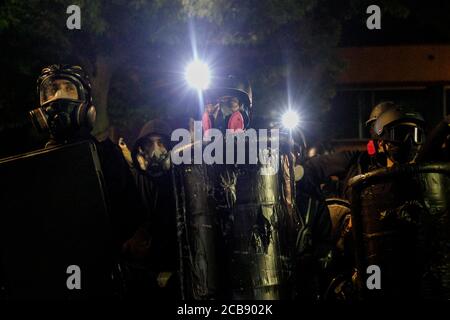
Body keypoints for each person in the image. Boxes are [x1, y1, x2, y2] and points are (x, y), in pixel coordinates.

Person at [123, 118, 178, 299]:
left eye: (161, 142)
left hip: (176, 276)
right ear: (141, 150)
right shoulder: (132, 181)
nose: (155, 149)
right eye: (150, 143)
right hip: (143, 276)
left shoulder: (182, 182)